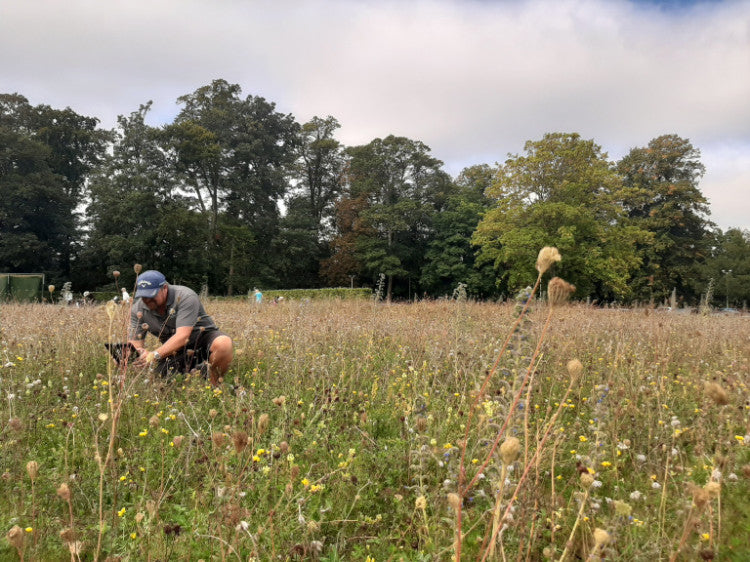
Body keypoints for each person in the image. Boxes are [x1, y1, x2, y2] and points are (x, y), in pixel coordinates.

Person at [128, 270, 233, 386]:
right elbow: (135, 344)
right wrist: (136, 354)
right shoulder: (137, 309)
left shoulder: (185, 296)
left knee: (224, 344)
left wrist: (154, 355)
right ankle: (199, 370)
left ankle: (214, 387)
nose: (147, 300)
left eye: (151, 295)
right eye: (143, 296)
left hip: (203, 340)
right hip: (175, 350)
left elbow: (182, 336)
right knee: (158, 379)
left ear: (164, 288)